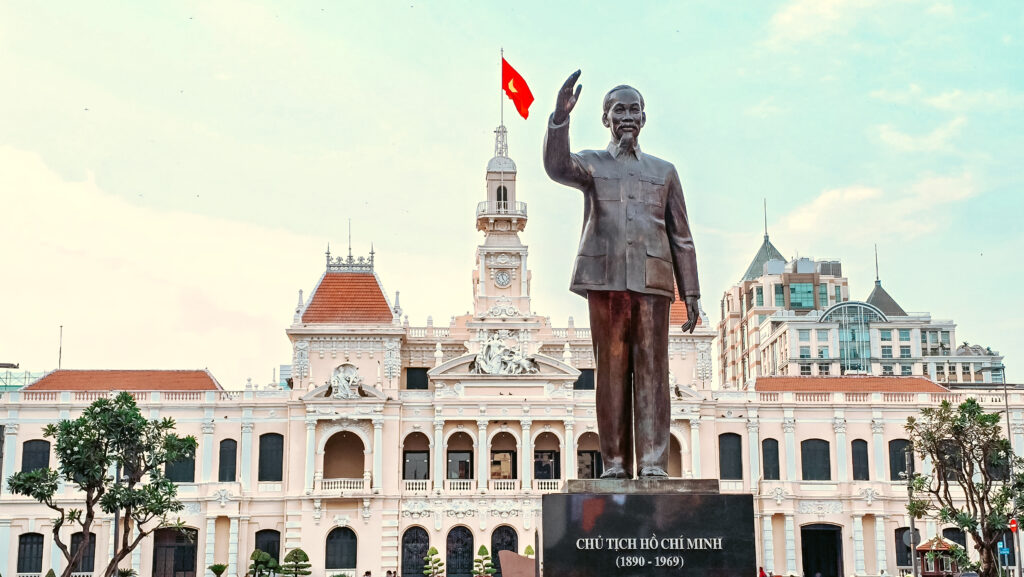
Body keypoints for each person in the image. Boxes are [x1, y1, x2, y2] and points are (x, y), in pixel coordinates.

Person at [544, 70, 700, 479]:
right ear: (605, 119)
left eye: (634, 109)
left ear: (644, 118)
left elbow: (681, 235)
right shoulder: (592, 164)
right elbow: (557, 166)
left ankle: (653, 465)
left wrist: (693, 293)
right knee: (610, 372)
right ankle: (614, 464)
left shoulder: (663, 171)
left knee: (653, 371)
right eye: (618, 109)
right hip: (606, 278)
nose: (627, 116)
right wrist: (559, 119)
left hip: (653, 281)